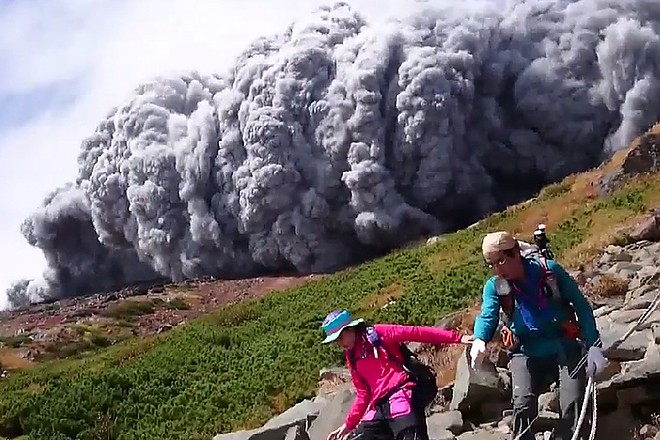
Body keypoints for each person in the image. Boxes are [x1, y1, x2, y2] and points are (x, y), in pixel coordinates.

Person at [470, 231, 608, 440]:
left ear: (516, 252)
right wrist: (480, 338)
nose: (498, 269)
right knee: (522, 404)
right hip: (525, 351)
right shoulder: (495, 286)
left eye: (501, 261)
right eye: (492, 264)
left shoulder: (549, 272)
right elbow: (488, 315)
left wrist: (593, 344)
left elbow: (580, 305)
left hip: (564, 345)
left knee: (573, 403)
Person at [321, 309, 473, 440]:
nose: (339, 343)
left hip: (401, 396)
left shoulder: (378, 334)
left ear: (350, 329)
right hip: (378, 408)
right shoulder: (352, 356)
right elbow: (363, 393)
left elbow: (417, 333)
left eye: (340, 338)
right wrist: (348, 425)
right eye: (335, 341)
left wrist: (457, 338)